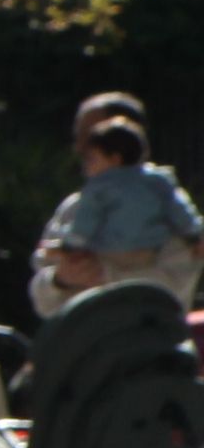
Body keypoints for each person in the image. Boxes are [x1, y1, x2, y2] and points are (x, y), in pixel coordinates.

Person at [33, 109, 204, 317]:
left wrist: (104, 275)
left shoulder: (167, 210)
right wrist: (59, 280)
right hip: (83, 341)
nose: (79, 151)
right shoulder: (74, 209)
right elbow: (41, 294)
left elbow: (172, 288)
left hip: (148, 338)